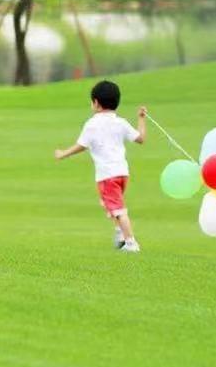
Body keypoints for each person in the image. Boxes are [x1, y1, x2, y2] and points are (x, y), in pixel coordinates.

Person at [55, 80, 147, 253]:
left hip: (107, 175)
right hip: (122, 173)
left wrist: (63, 154)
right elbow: (141, 138)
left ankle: (130, 242)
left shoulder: (92, 124)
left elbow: (81, 145)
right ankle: (120, 233)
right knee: (109, 203)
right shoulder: (121, 122)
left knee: (119, 210)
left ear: (96, 103)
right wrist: (141, 119)